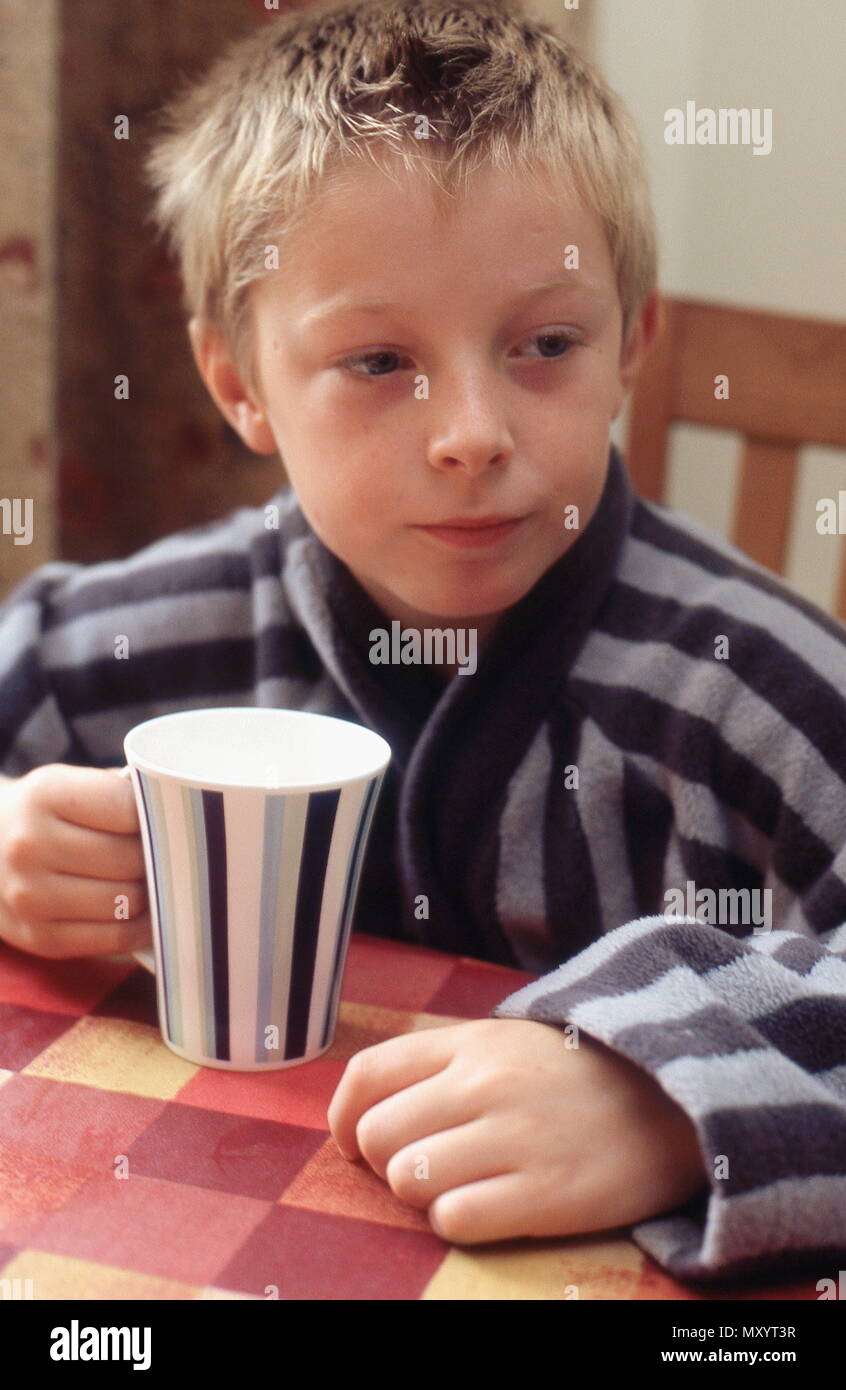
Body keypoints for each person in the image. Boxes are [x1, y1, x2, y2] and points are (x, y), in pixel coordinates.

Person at [0, 0, 844, 1286]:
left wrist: (673, 1096)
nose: (470, 431)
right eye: (380, 358)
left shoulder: (750, 692)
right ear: (239, 386)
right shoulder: (129, 642)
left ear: (635, 343)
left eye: (545, 345)